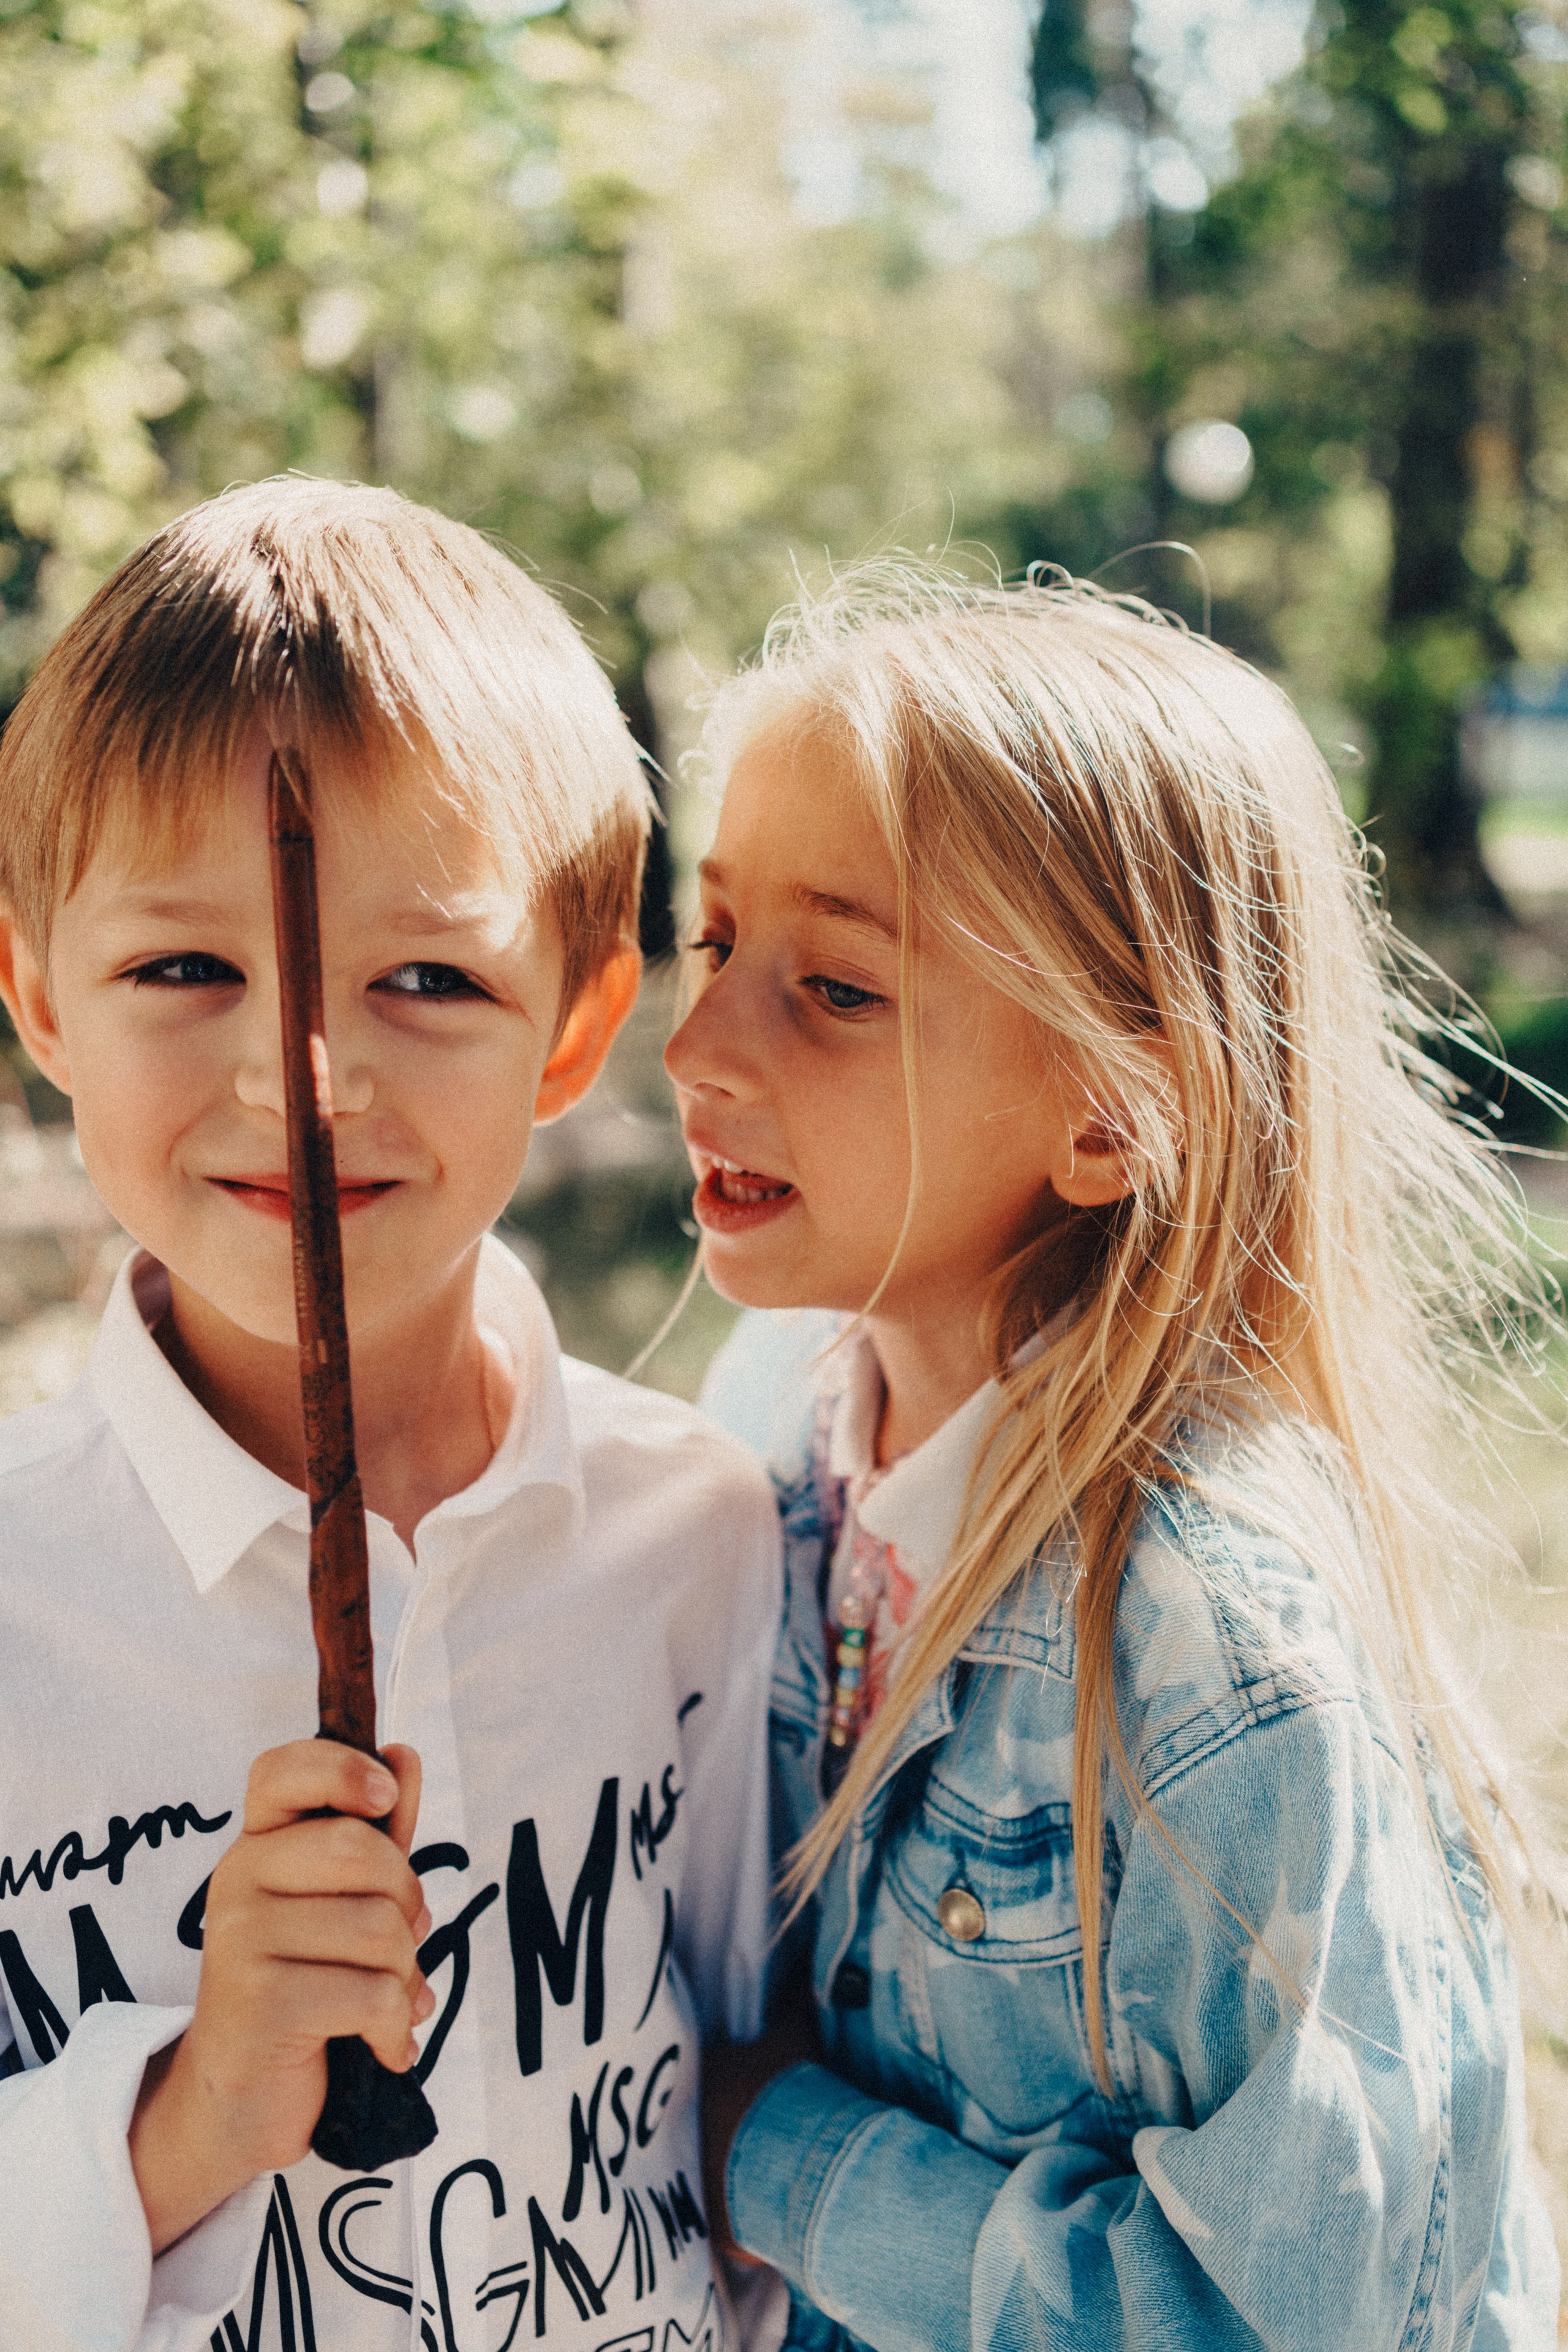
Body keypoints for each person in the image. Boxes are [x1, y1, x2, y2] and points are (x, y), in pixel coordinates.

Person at [669, 570, 1562, 2351]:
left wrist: (775, 2150)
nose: (697, 1045)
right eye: (710, 944)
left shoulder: (1211, 1636)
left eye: (834, 988)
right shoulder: (771, 1424)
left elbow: (1280, 2320)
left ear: (1109, 1108)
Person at [0, 477, 780, 2352]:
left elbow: (752, 2082)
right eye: (185, 970)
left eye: (429, 978)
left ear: (578, 1031)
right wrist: (182, 2117)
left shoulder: (699, 1532)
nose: (305, 1075)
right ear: (36, 997)